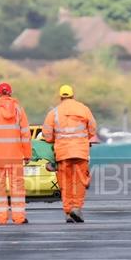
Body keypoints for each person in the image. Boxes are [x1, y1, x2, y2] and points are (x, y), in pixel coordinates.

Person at [42, 84, 97, 223]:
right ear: (73, 95)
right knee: (79, 182)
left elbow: (47, 135)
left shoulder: (54, 112)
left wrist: (56, 139)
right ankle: (76, 208)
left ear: (61, 97)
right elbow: (93, 129)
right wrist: (83, 138)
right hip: (80, 152)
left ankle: (68, 212)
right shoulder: (84, 109)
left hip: (63, 154)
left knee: (65, 184)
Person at [0, 82, 32, 225]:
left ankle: (1, 219)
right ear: (10, 93)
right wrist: (27, 154)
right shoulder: (18, 109)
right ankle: (19, 218)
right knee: (17, 188)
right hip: (15, 155)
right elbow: (25, 134)